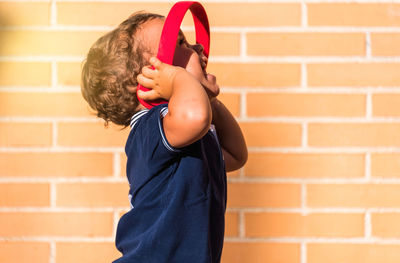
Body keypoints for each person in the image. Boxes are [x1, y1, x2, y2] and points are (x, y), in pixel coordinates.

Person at [81, 11, 247, 263]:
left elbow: (235, 155)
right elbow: (196, 116)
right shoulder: (150, 129)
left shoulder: (186, 130)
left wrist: (207, 98)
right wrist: (181, 80)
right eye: (181, 43)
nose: (198, 46)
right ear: (154, 78)